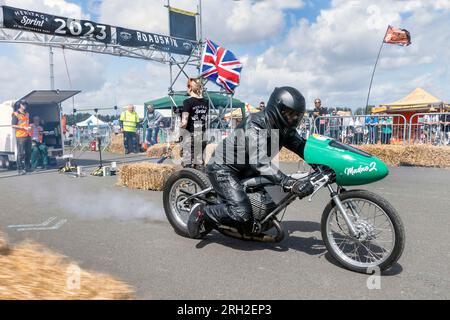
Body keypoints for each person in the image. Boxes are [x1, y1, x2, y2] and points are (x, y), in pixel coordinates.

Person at [186, 86, 315, 239]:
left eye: (296, 115)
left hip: (246, 169)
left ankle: (256, 215)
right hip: (225, 168)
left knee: (277, 193)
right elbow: (260, 162)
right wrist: (290, 182)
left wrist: (325, 164)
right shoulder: (256, 123)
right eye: (289, 113)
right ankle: (204, 211)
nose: (293, 118)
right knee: (241, 214)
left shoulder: (285, 129)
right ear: (277, 108)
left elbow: (302, 148)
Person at [180, 78, 209, 169]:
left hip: (190, 135)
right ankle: (200, 181)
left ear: (190, 88)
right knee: (199, 161)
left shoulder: (187, 102)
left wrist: (179, 131)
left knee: (188, 161)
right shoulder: (206, 102)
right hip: (202, 134)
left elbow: (184, 122)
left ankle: (188, 182)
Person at [11, 100, 32, 175]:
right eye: (23, 104)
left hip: (28, 135)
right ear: (20, 105)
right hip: (20, 136)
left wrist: (30, 126)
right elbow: (13, 125)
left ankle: (27, 168)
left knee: (28, 152)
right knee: (20, 153)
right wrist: (24, 128)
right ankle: (20, 169)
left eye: (26, 104)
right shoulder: (16, 114)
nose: (25, 105)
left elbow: (27, 123)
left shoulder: (27, 114)